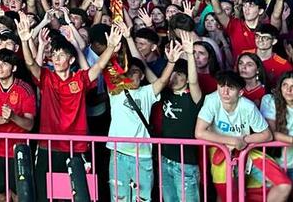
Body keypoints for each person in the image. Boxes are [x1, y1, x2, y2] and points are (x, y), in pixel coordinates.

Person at [15, 13, 123, 202]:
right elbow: (31, 64)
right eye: (54, 55)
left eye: (61, 56)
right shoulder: (47, 78)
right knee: (46, 195)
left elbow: (98, 67)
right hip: (48, 147)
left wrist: (112, 46)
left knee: (78, 196)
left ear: (71, 60)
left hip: (77, 147)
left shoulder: (80, 79)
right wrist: (25, 41)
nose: (56, 59)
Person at [194, 70, 291, 202]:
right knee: (227, 196)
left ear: (240, 92)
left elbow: (267, 135)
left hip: (246, 151)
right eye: (221, 86)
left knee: (284, 185)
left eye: (231, 88)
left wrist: (243, 140)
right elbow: (199, 132)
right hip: (221, 154)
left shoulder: (248, 106)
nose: (224, 92)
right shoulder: (212, 100)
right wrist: (233, 141)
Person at [105, 38, 181, 202]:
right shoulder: (116, 90)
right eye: (128, 72)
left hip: (143, 153)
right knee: (119, 197)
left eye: (135, 72)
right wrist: (112, 49)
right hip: (118, 152)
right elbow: (105, 67)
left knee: (143, 197)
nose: (132, 75)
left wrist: (172, 62)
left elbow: (162, 81)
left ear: (141, 75)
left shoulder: (147, 92)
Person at [0, 49, 36, 202]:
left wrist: (13, 116)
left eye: (5, 63)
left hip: (17, 151)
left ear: (14, 68)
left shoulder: (25, 89)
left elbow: (29, 124)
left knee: (19, 195)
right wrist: (4, 119)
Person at [156, 31, 204, 202]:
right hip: (165, 159)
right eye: (173, 74)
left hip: (186, 163)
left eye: (180, 75)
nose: (174, 78)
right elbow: (149, 73)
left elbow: (194, 81)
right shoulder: (164, 93)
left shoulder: (194, 97)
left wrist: (190, 54)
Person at [261, 71, 293, 201]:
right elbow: (271, 133)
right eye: (285, 85)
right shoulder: (269, 100)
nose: (288, 90)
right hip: (275, 162)